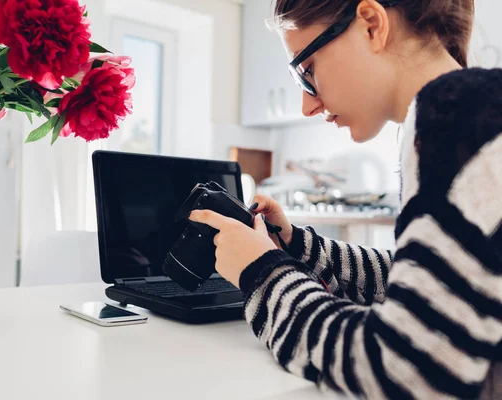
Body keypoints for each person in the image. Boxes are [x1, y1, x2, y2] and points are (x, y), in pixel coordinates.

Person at [189, 0, 501, 398]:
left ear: (371, 25)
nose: (307, 105)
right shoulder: (474, 110)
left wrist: (261, 275)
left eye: (308, 71)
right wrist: (296, 246)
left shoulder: (454, 114)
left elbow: (403, 371)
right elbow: (424, 280)